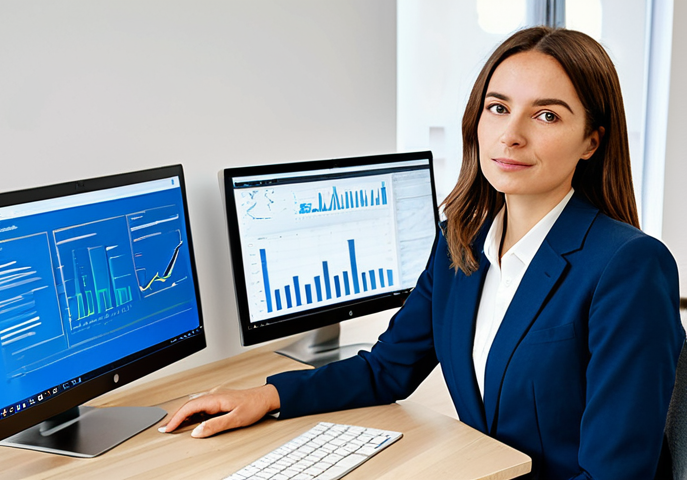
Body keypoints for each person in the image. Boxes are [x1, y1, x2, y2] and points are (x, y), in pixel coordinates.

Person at [163, 26, 685, 479]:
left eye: (546, 116)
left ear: (591, 141)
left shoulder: (628, 266)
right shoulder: (462, 241)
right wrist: (269, 397)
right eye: (498, 108)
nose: (511, 135)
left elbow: (614, 474)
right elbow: (386, 369)